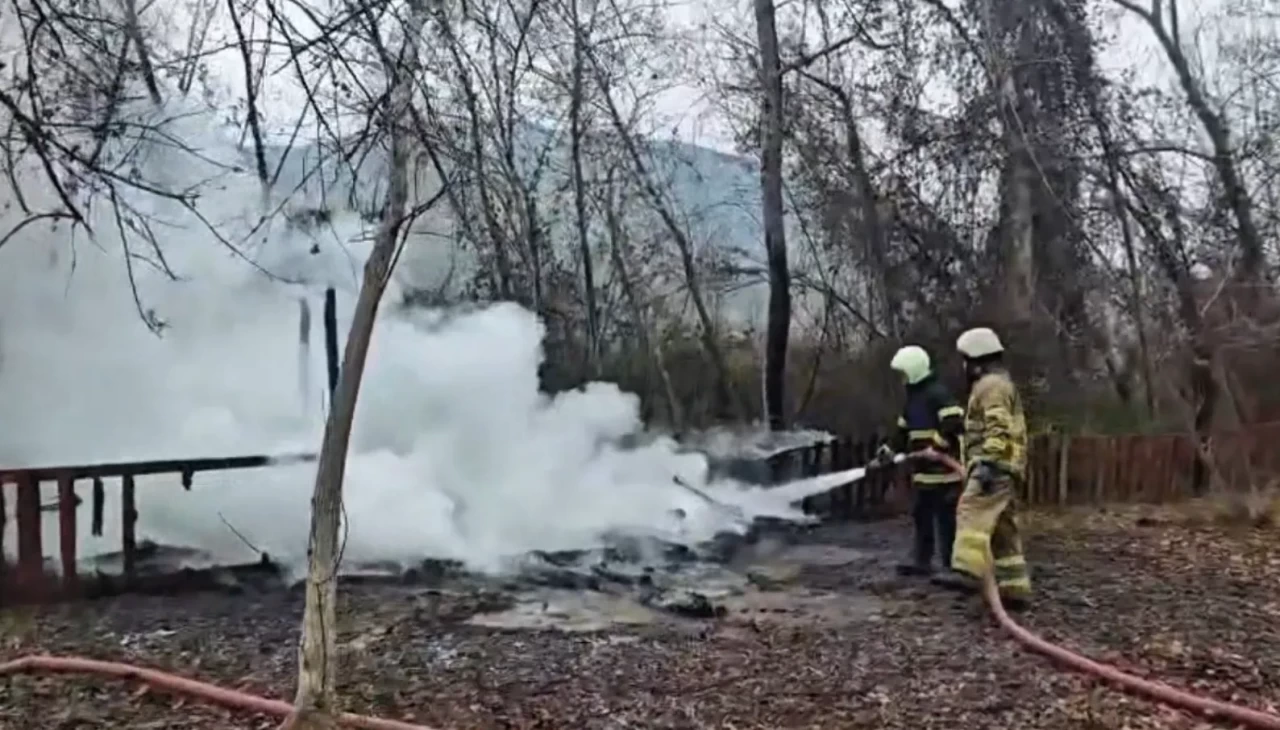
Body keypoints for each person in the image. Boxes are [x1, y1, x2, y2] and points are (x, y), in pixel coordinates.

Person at [941, 327, 1033, 609]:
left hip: (995, 465)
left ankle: (967, 571)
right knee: (1004, 531)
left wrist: (988, 464)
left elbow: (998, 426)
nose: (964, 366)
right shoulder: (999, 385)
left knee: (971, 510)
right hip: (1007, 466)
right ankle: (1014, 589)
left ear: (976, 360)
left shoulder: (990, 386)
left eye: (965, 359)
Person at [876, 345, 966, 577]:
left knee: (947, 521)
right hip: (923, 474)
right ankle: (922, 560)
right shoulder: (912, 401)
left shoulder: (938, 394)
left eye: (904, 373)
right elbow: (901, 433)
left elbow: (954, 423)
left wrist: (937, 446)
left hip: (945, 473)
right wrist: (888, 450)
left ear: (914, 370)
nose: (902, 379)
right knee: (921, 515)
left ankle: (951, 565)